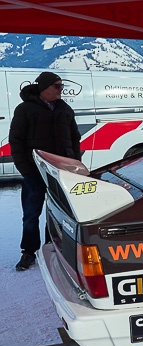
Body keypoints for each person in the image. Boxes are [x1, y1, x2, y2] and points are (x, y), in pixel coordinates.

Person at [10, 71, 81, 271]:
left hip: (61, 173)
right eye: (57, 86)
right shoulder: (25, 109)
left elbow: (75, 138)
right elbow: (15, 141)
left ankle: (55, 248)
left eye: (61, 86)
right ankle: (29, 252)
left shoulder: (65, 109)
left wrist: (75, 164)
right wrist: (25, 169)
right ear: (45, 88)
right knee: (31, 214)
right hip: (35, 172)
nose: (61, 89)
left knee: (59, 213)